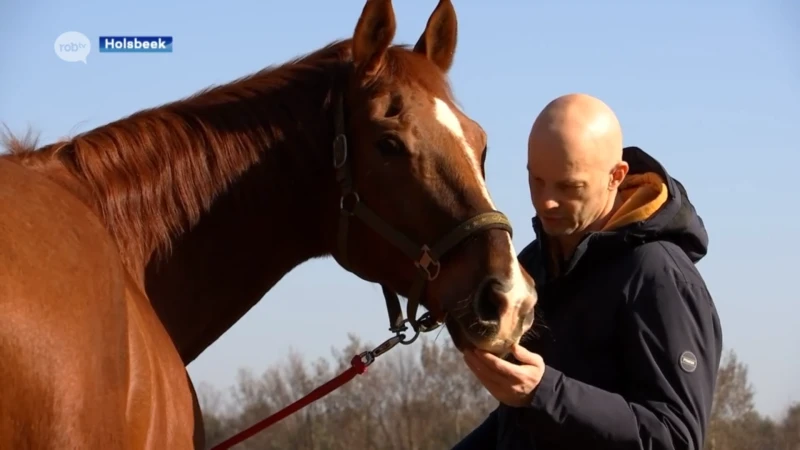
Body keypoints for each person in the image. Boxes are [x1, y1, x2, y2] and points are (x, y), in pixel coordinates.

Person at [452, 93, 723, 449]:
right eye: (537, 180)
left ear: (616, 176)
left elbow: (675, 437)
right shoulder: (535, 264)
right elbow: (516, 423)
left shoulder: (658, 277)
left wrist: (544, 392)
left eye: (569, 186)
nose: (546, 200)